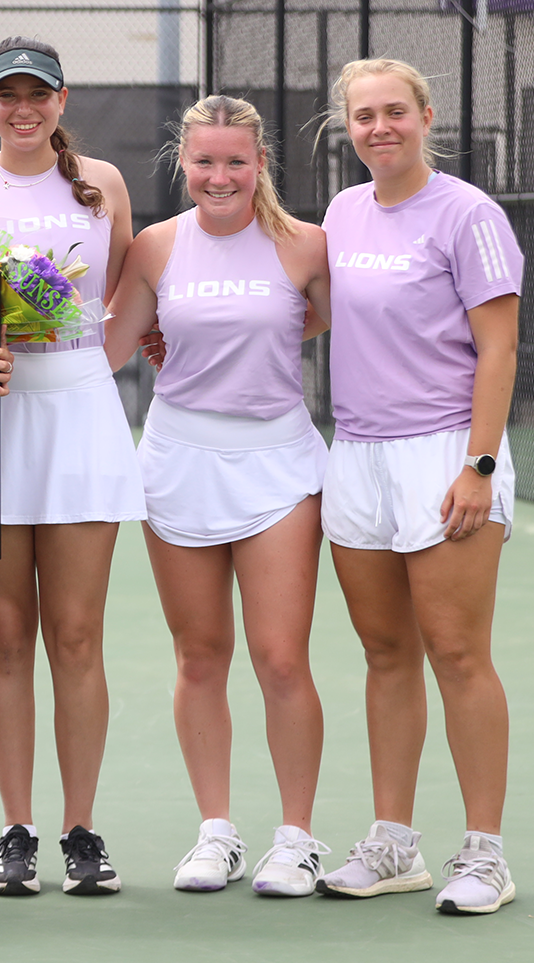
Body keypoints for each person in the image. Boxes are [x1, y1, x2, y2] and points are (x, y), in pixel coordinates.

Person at [0, 37, 144, 897]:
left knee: (78, 636)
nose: (23, 109)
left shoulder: (104, 185)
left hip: (83, 413)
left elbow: (125, 291)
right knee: (4, 636)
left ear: (61, 100)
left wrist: (101, 357)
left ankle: (80, 830)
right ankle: (15, 830)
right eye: (6, 95)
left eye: (38, 95)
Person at [102, 95, 333, 897]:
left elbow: (324, 323)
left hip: (279, 468)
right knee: (200, 658)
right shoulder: (155, 248)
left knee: (279, 658)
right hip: (176, 461)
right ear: (184, 165)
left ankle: (297, 839)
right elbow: (107, 350)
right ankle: (216, 833)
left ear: (260, 163)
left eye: (236, 160)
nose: (220, 175)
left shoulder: (307, 245)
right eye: (204, 161)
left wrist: (247, 333)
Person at [309, 59, 521, 916]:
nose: (380, 127)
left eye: (395, 112)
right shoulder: (342, 211)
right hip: (356, 453)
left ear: (426, 116)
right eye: (364, 116)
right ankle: (394, 842)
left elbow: (499, 350)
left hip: (446, 454)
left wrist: (479, 465)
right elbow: (321, 311)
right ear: (348, 129)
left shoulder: (468, 212)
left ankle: (486, 855)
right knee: (385, 654)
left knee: (458, 654)